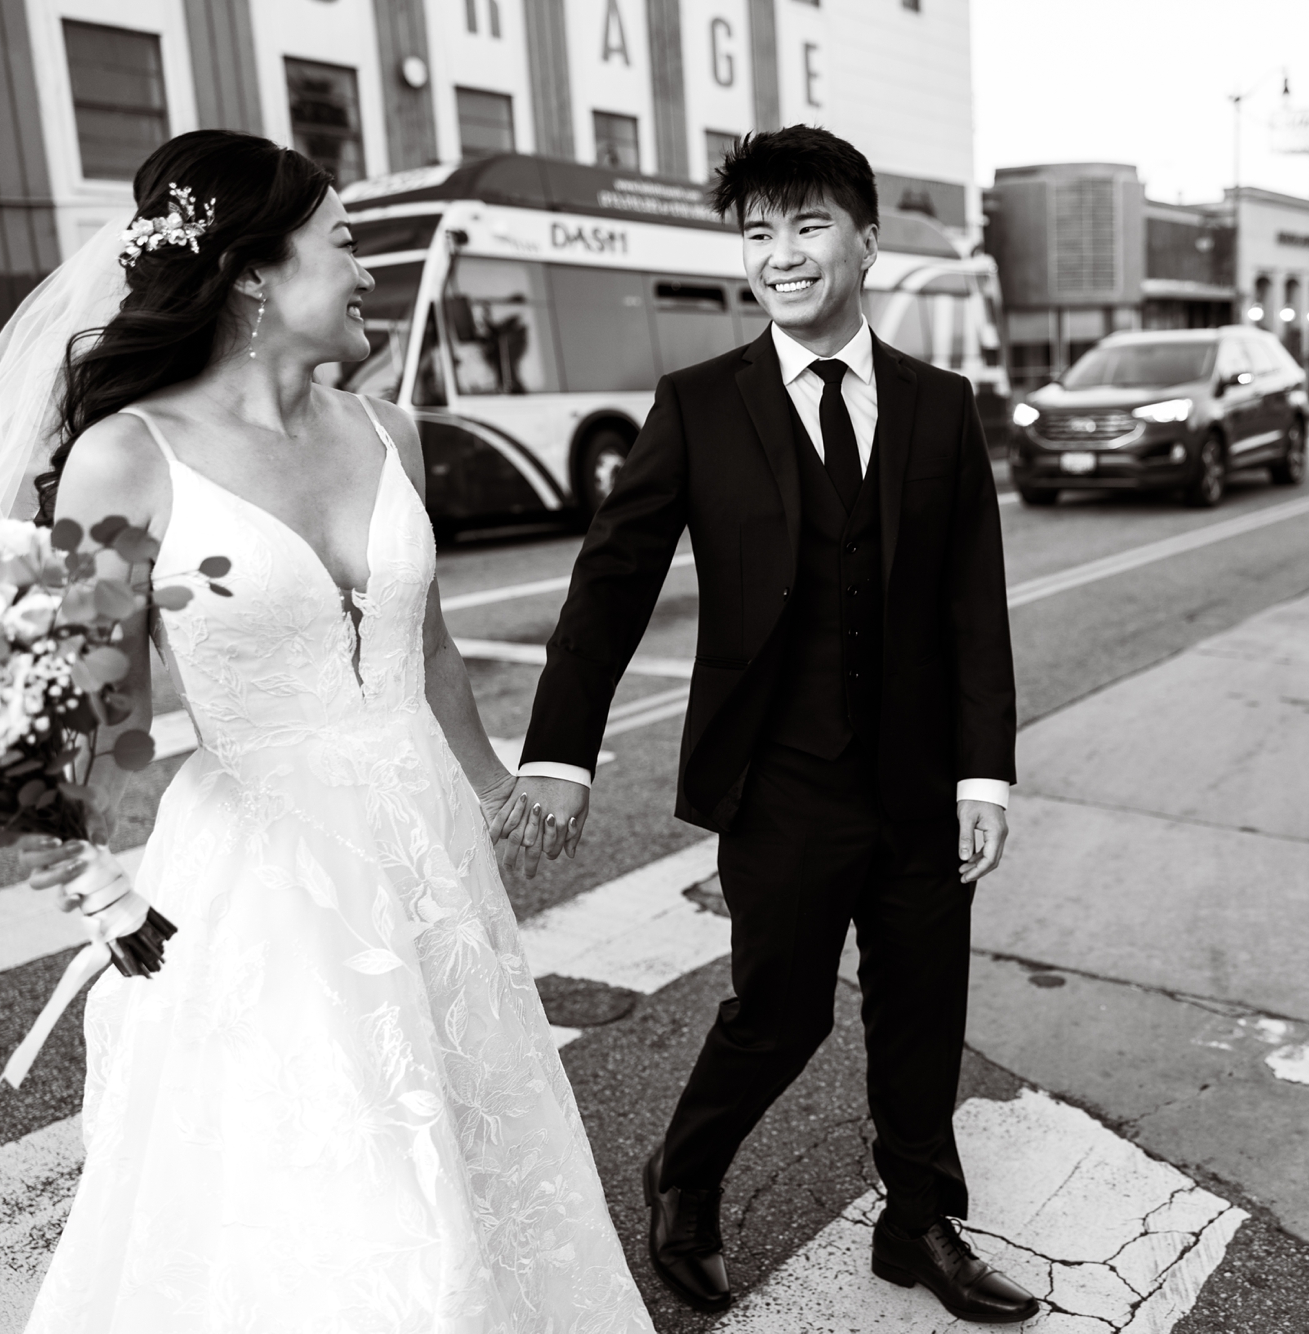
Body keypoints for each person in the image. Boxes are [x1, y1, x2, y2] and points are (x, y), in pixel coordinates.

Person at [0, 130, 653, 1331]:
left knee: (465, 1124)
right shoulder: (124, 457)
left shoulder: (390, 431)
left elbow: (429, 648)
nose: (366, 271)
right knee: (338, 1174)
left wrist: (490, 783)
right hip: (263, 876)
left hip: (422, 843)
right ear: (254, 270)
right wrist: (98, 879)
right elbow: (99, 713)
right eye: (346, 242)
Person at [506, 126, 1039, 1325]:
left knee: (922, 1007)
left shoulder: (941, 408)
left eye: (805, 226)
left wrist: (983, 778)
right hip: (779, 779)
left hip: (916, 784)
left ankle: (918, 1221)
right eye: (756, 233)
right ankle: (683, 1173)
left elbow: (972, 606)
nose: (781, 255)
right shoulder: (697, 407)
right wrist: (559, 750)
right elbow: (610, 583)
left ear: (863, 237)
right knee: (780, 1008)